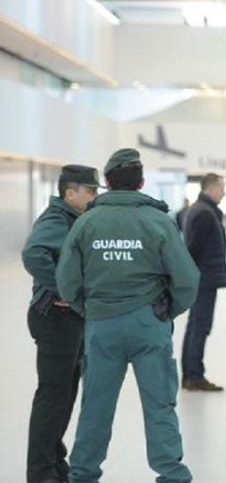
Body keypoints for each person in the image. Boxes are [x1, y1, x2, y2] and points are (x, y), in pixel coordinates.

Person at [56, 148, 199, 483]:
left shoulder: (86, 222)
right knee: (159, 404)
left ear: (107, 183)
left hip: (102, 325)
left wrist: (88, 309)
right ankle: (172, 474)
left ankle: (83, 474)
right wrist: (166, 310)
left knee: (96, 405)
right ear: (141, 183)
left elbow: (66, 278)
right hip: (149, 323)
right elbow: (188, 278)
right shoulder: (158, 220)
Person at [22, 165, 99, 483]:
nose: (94, 196)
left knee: (65, 395)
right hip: (54, 318)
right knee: (53, 395)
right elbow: (33, 253)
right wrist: (63, 287)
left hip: (71, 319)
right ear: (70, 193)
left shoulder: (76, 219)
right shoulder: (57, 219)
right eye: (90, 190)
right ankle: (40, 471)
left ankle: (54, 461)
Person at [181, 173, 226, 391]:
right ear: (211, 188)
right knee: (200, 327)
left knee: (195, 325)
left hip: (202, 277)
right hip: (204, 279)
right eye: (222, 188)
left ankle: (190, 374)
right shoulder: (204, 213)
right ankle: (194, 376)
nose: (224, 192)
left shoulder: (201, 210)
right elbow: (194, 248)